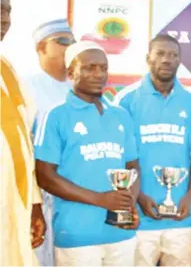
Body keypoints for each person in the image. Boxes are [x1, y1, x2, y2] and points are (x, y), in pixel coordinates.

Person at [33, 41, 141, 266]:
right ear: (71, 72)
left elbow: (132, 166)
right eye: (89, 67)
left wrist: (129, 204)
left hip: (120, 233)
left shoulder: (120, 115)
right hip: (78, 236)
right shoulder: (55, 115)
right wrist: (100, 200)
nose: (98, 74)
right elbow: (44, 175)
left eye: (103, 68)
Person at [113, 34, 191, 266]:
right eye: (160, 54)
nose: (167, 60)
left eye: (173, 55)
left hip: (182, 218)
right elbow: (118, 157)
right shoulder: (126, 100)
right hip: (139, 217)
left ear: (180, 61)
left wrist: (189, 197)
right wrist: (138, 197)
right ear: (148, 58)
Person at [0, 0, 46, 265]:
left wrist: (34, 204)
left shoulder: (9, 71)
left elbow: (22, 142)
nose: (4, 18)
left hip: (13, 200)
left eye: (7, 11)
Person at [27, 18, 75, 266]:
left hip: (76, 196)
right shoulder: (26, 87)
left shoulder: (80, 88)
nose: (70, 47)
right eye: (62, 41)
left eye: (72, 41)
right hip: (41, 196)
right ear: (40, 48)